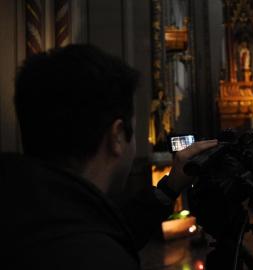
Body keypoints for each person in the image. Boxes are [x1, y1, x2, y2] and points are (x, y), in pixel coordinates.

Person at [1, 44, 217, 269]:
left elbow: (116, 227)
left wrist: (170, 187)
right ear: (117, 136)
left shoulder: (26, 210)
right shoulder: (100, 258)